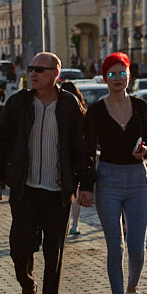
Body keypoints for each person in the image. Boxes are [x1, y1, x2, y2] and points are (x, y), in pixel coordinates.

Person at [0, 52, 94, 294]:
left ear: (55, 74)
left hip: (59, 193)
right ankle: (27, 284)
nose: (32, 74)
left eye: (39, 69)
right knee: (19, 247)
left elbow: (82, 150)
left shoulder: (69, 105)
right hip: (25, 190)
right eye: (31, 69)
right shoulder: (19, 103)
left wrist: (87, 185)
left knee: (53, 253)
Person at [84, 51, 147, 294]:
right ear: (105, 78)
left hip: (138, 179)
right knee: (115, 247)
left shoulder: (141, 107)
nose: (117, 79)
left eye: (122, 73)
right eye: (111, 74)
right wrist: (87, 188)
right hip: (108, 180)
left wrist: (145, 152)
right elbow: (88, 153)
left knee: (137, 247)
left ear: (130, 76)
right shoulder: (95, 111)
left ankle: (132, 289)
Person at [59, 81, 92, 236]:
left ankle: (64, 225)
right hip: (77, 160)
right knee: (76, 193)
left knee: (64, 195)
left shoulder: (59, 109)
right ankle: (75, 224)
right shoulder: (82, 110)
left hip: (63, 159)